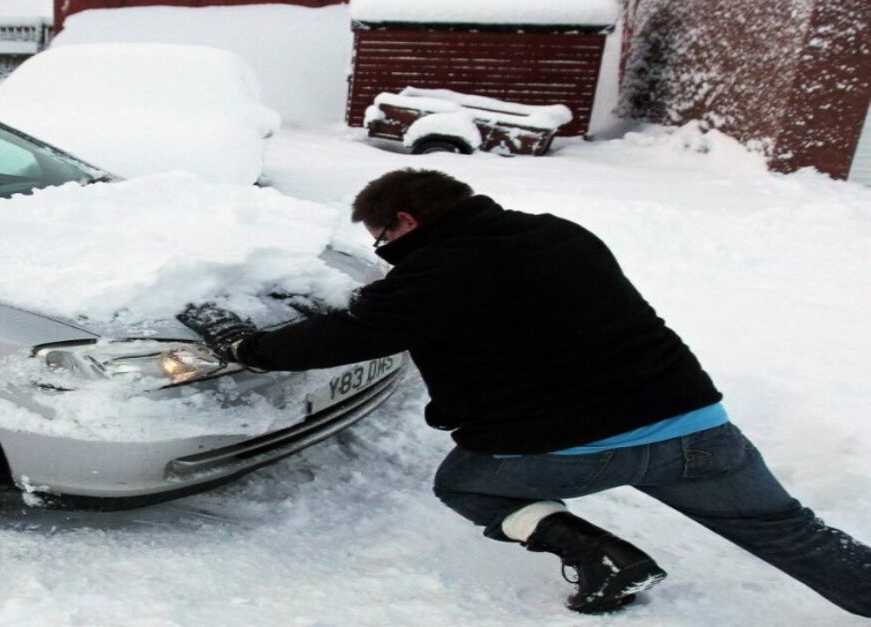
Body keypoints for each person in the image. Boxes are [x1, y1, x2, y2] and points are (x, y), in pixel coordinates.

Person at [178, 168, 871, 616]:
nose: (382, 248)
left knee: (468, 482)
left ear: (408, 222)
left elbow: (344, 337)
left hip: (584, 448)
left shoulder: (435, 276)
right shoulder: (560, 236)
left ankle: (601, 554)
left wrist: (246, 347)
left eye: (382, 235)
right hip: (699, 426)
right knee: (793, 532)